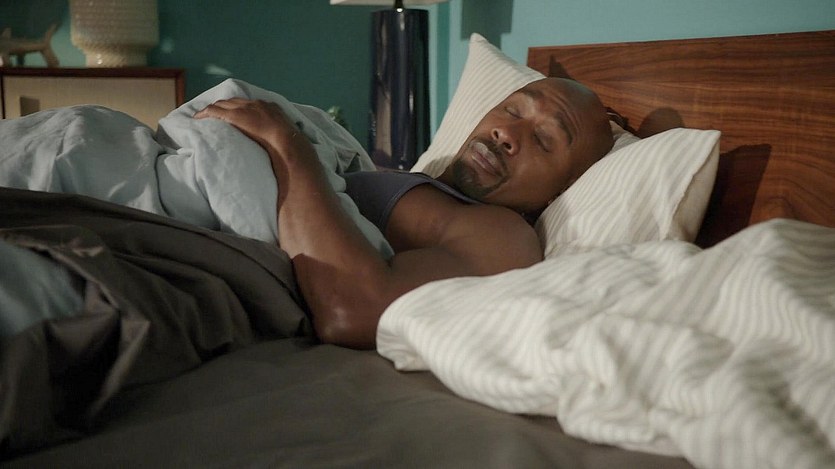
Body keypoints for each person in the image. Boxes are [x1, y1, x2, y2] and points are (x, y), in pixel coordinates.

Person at [194, 77, 614, 349]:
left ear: (561, 191)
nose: (507, 132)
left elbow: (351, 313)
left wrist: (287, 143)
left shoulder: (503, 233)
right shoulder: (427, 187)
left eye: (543, 139)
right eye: (513, 110)